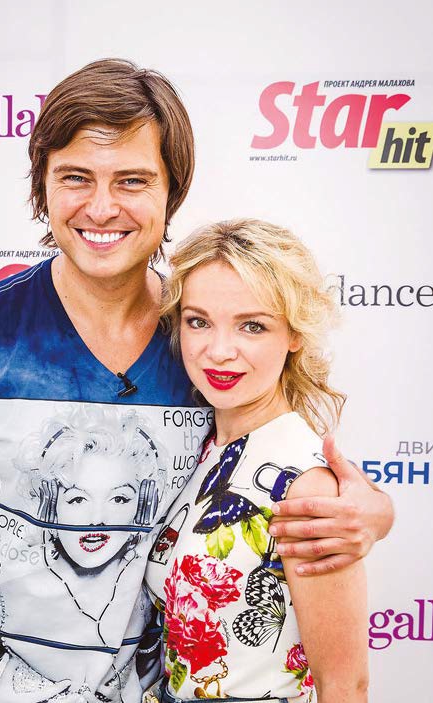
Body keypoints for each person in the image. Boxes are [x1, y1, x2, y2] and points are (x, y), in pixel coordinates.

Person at [0, 59, 391, 703]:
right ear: (43, 187)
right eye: (76, 177)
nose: (102, 208)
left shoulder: (203, 344)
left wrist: (373, 513)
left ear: (171, 192)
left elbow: (282, 464)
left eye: (132, 180)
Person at [145, 219, 368, 703]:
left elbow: (345, 684)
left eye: (252, 326)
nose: (219, 351)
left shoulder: (305, 485)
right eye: (198, 321)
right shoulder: (200, 449)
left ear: (294, 334)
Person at [0, 405, 169, 702]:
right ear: (51, 506)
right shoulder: (2, 602)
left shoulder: (148, 596)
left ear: (141, 507)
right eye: (77, 499)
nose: (97, 520)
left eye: (119, 498)